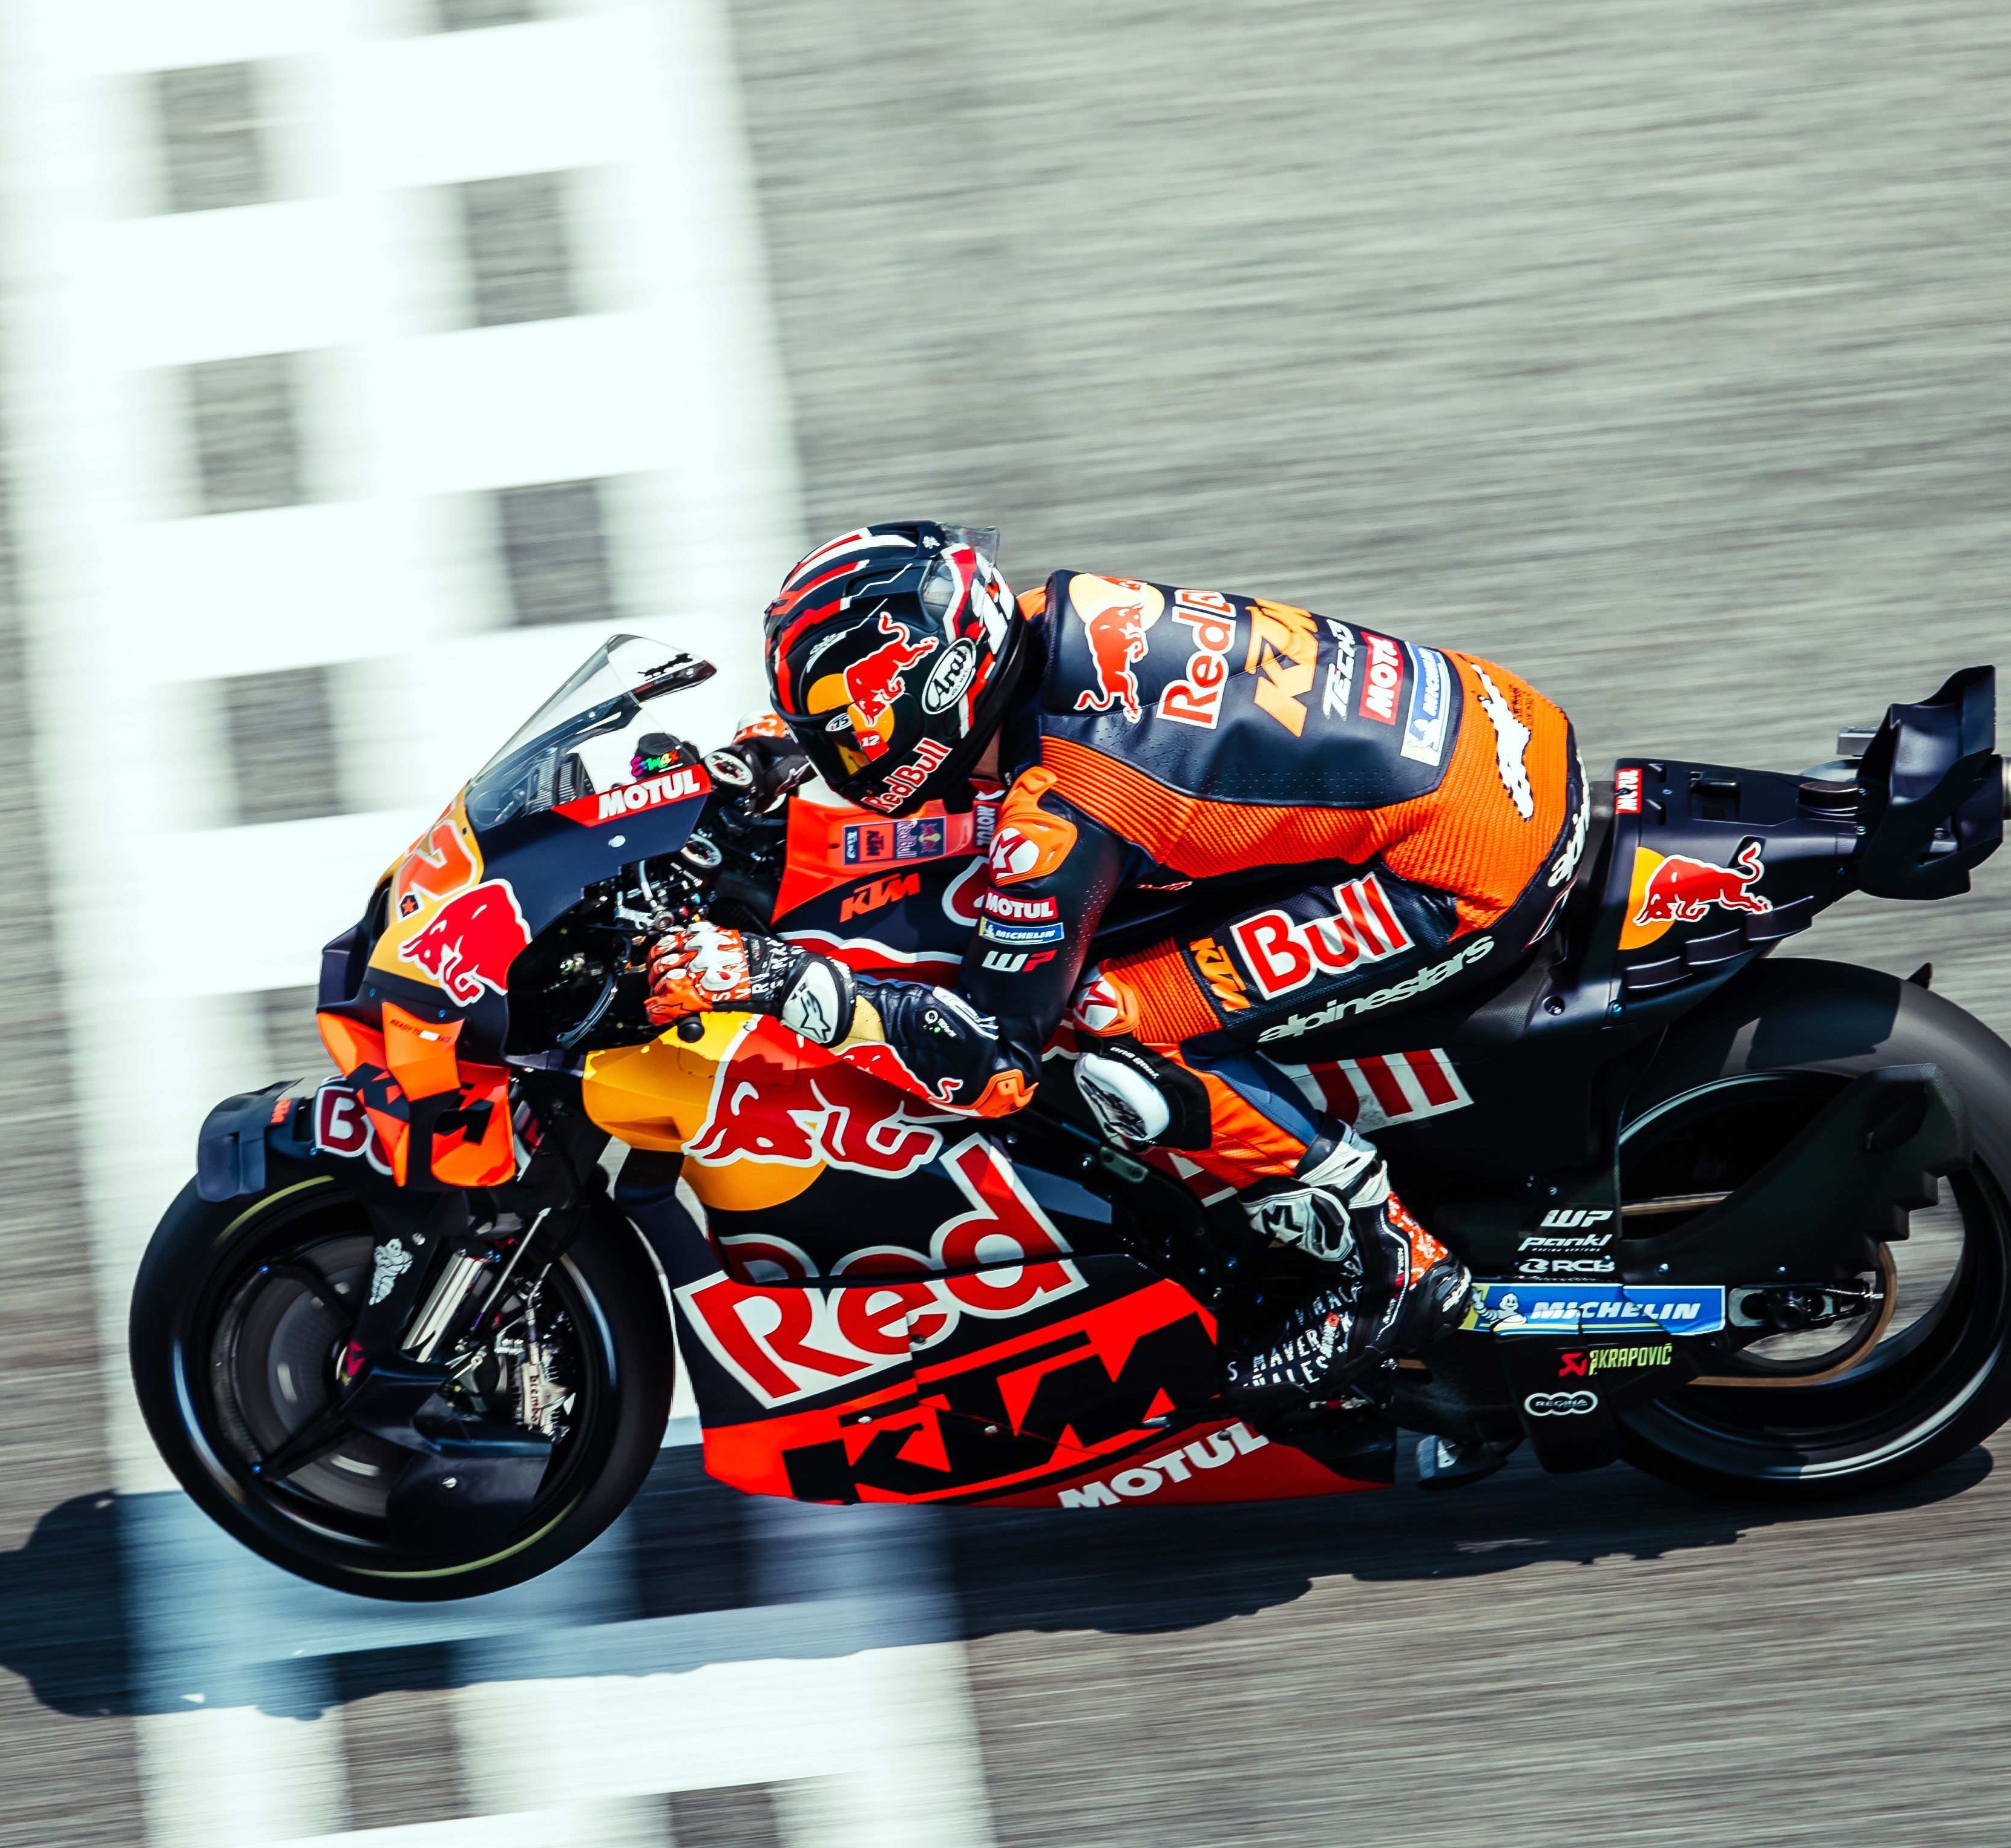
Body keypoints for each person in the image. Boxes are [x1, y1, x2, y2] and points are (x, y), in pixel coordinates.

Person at [645, 522, 1584, 1418]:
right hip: (1498, 727)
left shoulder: (1067, 807)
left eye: (843, 730)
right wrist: (767, 762)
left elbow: (993, 1063)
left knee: (1107, 1019)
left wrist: (774, 979)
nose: (837, 752)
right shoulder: (1045, 615)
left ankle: (1385, 1255)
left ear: (933, 690)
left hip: (1462, 866)